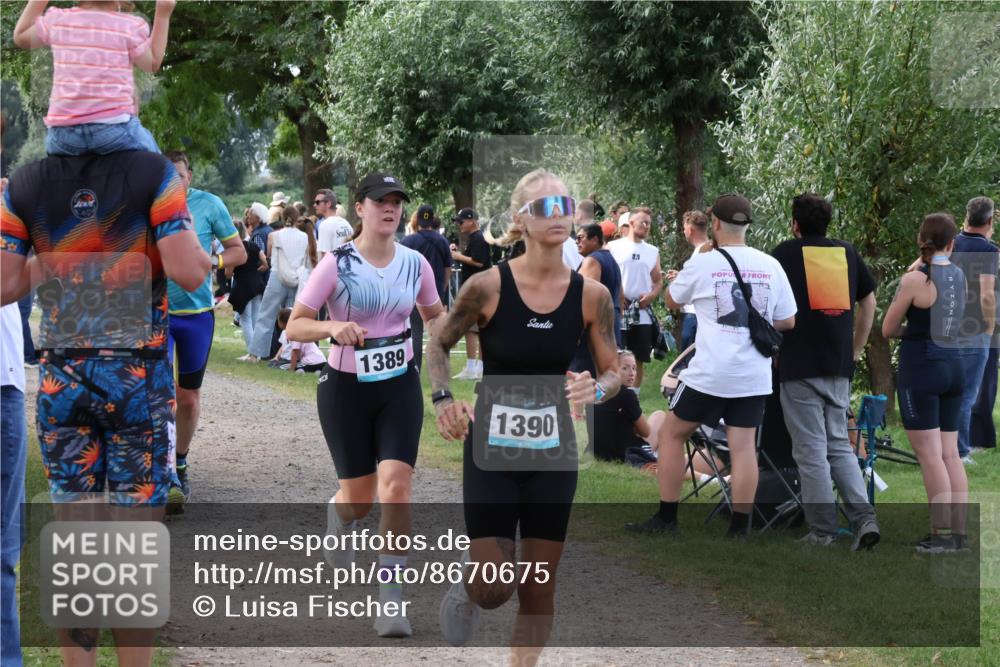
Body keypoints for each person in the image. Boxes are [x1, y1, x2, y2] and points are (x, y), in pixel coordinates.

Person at [1, 149, 209, 666]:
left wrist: (63, 259)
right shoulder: (153, 174)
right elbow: (191, 273)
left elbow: (4, 285)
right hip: (134, 388)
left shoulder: (29, 181)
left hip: (63, 387)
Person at [428, 168, 620, 663]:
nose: (558, 216)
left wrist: (595, 387)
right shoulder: (487, 287)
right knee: (497, 587)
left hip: (554, 449)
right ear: (521, 221)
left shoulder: (591, 296)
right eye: (544, 207)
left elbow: (613, 370)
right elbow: (439, 344)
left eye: (564, 204)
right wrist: (444, 400)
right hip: (492, 445)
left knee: (539, 587)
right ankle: (471, 585)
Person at [287, 172, 444, 638]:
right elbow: (295, 326)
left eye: (396, 201)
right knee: (360, 501)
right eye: (380, 201)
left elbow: (435, 316)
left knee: (396, 487)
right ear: (360, 208)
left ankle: (391, 600)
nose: (389, 209)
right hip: (346, 389)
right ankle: (339, 511)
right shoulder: (336, 264)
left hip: (399, 385)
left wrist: (456, 334)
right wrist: (331, 328)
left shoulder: (416, 263)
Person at [629, 194, 797, 539]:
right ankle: (739, 528)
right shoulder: (770, 264)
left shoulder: (704, 262)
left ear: (716, 224)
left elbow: (674, 300)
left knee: (673, 434)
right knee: (743, 447)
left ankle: (667, 517)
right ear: (747, 226)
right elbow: (788, 320)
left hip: (709, 373)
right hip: (753, 374)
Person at [771, 193, 880, 549]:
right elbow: (869, 300)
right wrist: (858, 346)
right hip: (838, 363)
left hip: (799, 363)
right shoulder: (846, 252)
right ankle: (864, 520)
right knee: (839, 446)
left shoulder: (785, 253)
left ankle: (822, 531)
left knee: (810, 450)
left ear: (795, 224)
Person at [163, 151, 246, 512]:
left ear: (190, 176)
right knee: (160, 395)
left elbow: (239, 251)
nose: (172, 183)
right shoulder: (145, 208)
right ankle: (163, 472)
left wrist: (212, 262)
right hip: (156, 316)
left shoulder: (209, 205)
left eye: (178, 176)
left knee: (188, 398)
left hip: (196, 315)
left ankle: (180, 460)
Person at [882, 213, 969, 553]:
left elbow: (888, 329)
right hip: (954, 366)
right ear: (951, 244)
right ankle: (957, 534)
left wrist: (912, 332)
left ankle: (941, 535)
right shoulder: (959, 275)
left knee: (931, 457)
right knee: (950, 454)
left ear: (921, 241)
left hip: (923, 368)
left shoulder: (915, 280)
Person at [13, 0, 175, 156]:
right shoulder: (130, 26)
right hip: (114, 131)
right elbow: (152, 62)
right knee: (161, 170)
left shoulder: (58, 20)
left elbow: (21, 36)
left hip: (63, 137)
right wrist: (163, 13)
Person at [950, 196, 997, 462]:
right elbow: (988, 295)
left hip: (946, 324)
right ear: (989, 222)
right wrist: (990, 325)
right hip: (974, 327)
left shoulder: (950, 242)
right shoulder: (988, 251)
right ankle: (961, 450)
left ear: (966, 217)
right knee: (967, 393)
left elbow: (916, 267)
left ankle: (945, 447)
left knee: (948, 390)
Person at [607, 206, 662, 390]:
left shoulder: (652, 251)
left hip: (641, 311)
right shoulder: (614, 247)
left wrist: (651, 295)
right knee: (615, 354)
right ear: (630, 223)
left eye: (649, 223)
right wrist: (615, 295)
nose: (646, 226)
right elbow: (604, 275)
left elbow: (658, 281)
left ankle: (633, 396)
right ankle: (614, 394)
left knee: (638, 358)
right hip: (619, 309)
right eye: (643, 222)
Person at [246, 205, 308, 362]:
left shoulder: (274, 236)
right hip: (297, 278)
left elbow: (269, 254)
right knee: (293, 317)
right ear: (297, 218)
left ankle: (255, 353)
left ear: (282, 217)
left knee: (266, 315)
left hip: (277, 276)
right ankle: (290, 354)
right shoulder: (305, 237)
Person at [401, 204, 452, 370]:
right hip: (436, 292)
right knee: (438, 330)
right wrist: (443, 289)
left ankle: (416, 366)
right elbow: (447, 269)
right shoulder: (442, 241)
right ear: (432, 218)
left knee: (415, 331)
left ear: (418, 219)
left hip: (413, 291)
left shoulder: (408, 241)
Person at [450, 207, 491, 380]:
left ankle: (473, 368)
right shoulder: (474, 239)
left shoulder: (479, 239)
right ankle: (477, 367)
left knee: (472, 329)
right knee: (476, 329)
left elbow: (479, 262)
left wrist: (457, 256)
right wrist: (459, 252)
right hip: (477, 289)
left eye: (461, 221)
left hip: (477, 290)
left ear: (471, 221)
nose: (459, 224)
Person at [667, 210, 711, 351]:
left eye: (684, 228)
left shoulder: (702, 252)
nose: (684, 231)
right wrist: (681, 276)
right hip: (700, 314)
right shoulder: (707, 249)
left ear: (691, 229)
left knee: (687, 357)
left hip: (695, 314)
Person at [271, 308, 326, 373]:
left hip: (310, 362)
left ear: (282, 322)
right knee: (275, 364)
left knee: (280, 366)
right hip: (322, 362)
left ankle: (302, 370)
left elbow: (295, 352)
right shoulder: (286, 332)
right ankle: (317, 371)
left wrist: (291, 369)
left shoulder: (295, 333)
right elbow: (283, 346)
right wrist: (276, 357)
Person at [315, 189, 353, 258]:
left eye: (317, 202)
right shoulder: (346, 224)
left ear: (328, 204)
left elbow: (325, 257)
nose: (314, 205)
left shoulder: (325, 225)